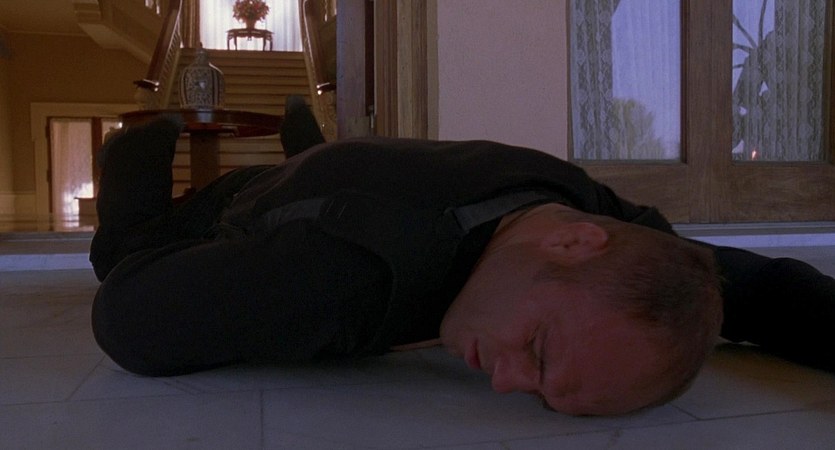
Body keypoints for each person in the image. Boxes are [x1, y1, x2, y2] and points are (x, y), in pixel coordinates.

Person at [90, 98, 834, 416]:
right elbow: (127, 321)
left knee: (322, 176)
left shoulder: (605, 228)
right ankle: (135, 165)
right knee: (125, 252)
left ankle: (309, 146)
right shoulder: (339, 280)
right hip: (255, 203)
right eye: (536, 350)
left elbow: (757, 288)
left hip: (362, 177)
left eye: (538, 393)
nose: (503, 383)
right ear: (572, 243)